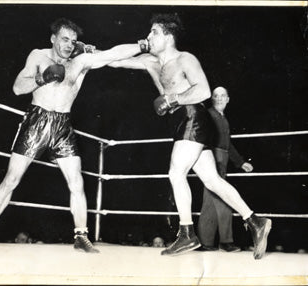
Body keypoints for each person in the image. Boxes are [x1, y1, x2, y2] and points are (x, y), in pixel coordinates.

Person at [0, 18, 146, 252]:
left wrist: (143, 45)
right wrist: (41, 78)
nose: (68, 45)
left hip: (63, 124)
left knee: (76, 181)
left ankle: (81, 236)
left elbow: (113, 54)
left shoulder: (80, 61)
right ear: (53, 38)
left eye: (73, 41)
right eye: (64, 39)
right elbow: (17, 88)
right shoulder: (38, 56)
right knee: (12, 179)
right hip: (36, 121)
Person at [109, 13, 271, 259]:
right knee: (211, 180)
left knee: (176, 173)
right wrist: (89, 52)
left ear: (168, 36)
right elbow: (114, 61)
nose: (149, 36)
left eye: (154, 32)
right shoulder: (151, 62)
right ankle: (255, 221)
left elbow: (204, 90)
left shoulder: (185, 59)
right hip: (181, 122)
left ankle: (187, 234)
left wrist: (172, 98)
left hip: (193, 116)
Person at [198, 87, 254, 252]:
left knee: (210, 200)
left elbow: (227, 143)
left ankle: (206, 242)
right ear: (212, 98)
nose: (220, 98)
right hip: (213, 157)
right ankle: (225, 241)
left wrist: (240, 162)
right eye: (216, 96)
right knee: (223, 198)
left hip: (219, 158)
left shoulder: (222, 118)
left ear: (228, 99)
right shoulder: (209, 115)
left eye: (223, 96)